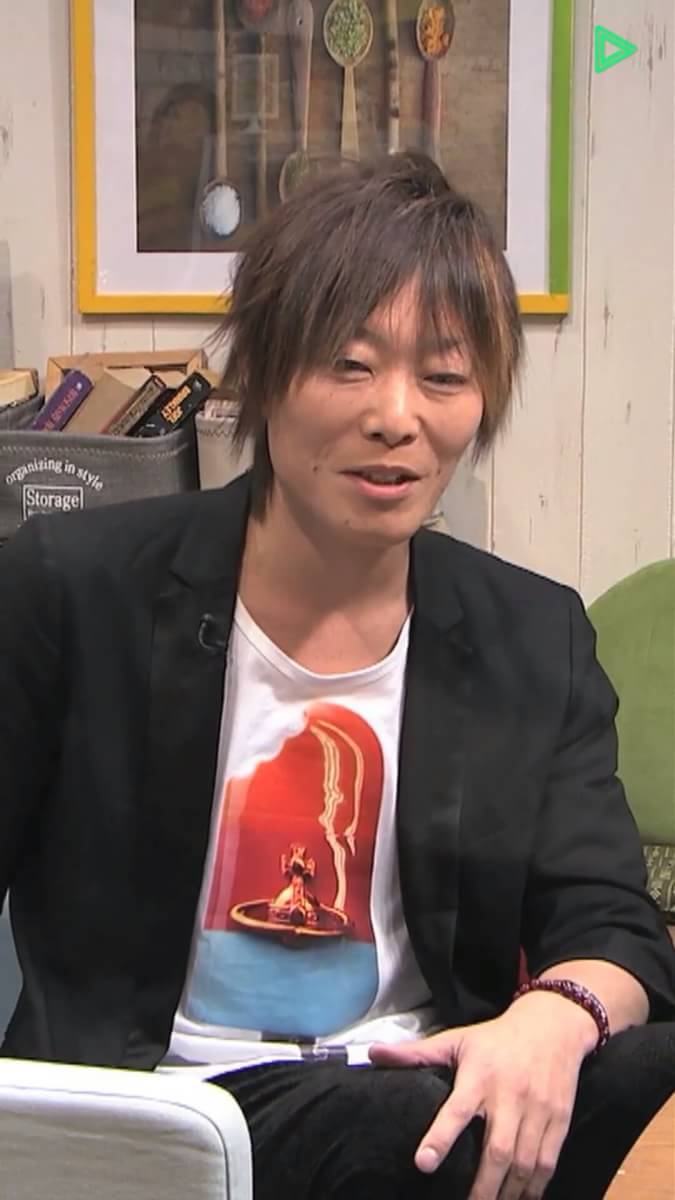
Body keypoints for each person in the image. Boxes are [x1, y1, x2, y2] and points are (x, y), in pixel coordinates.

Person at [1, 151, 674, 1200]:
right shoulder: (77, 589)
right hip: (158, 1115)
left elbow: (614, 931)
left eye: (442, 377)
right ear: (266, 372)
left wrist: (554, 1018)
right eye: (350, 365)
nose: (396, 416)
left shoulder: (531, 635)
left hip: (427, 1100)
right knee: (382, 1123)